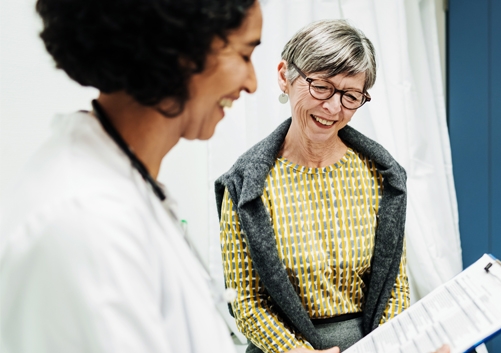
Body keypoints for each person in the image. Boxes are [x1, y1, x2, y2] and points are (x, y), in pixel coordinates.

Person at [0, 1, 338, 352]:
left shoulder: (125, 185)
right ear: (179, 51)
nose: (252, 83)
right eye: (243, 54)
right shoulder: (84, 220)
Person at [215, 19, 448, 353]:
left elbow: (394, 289)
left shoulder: (382, 175)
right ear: (285, 76)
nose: (333, 108)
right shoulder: (246, 185)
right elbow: (247, 302)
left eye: (350, 96)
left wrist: (383, 347)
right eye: (321, 87)